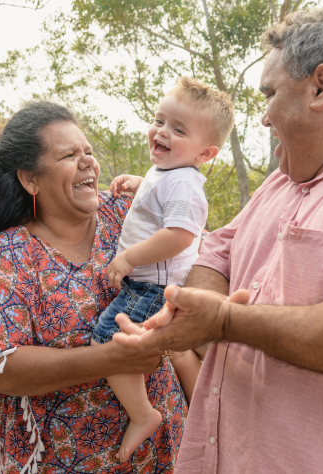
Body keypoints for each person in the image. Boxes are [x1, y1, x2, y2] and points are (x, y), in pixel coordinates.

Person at [114, 5, 323, 474]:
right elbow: (218, 253)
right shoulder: (284, 179)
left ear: (320, 88)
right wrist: (184, 314)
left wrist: (226, 323)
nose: (264, 117)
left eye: (270, 94)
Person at [0, 101, 188, 474]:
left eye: (89, 152)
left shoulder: (128, 215)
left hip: (167, 450)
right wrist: (109, 359)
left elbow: (199, 251)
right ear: (30, 179)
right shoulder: (13, 255)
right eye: (69, 155)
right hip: (70, 460)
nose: (88, 163)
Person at [91, 76, 234, 462]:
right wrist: (140, 184)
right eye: (160, 121)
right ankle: (197, 410)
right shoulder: (169, 172)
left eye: (178, 129)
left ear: (205, 154)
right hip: (154, 284)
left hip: (151, 286)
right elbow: (159, 201)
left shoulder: (186, 184)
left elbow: (180, 235)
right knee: (177, 348)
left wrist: (129, 257)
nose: (162, 132)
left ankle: (143, 414)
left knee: (108, 341)